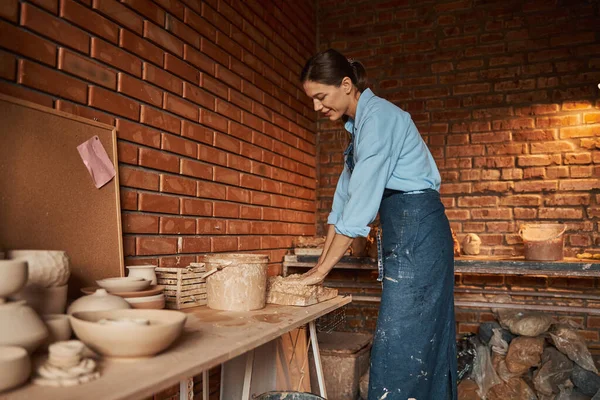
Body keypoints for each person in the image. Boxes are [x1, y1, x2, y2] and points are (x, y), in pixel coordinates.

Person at [296, 49, 457, 400]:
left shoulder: (380, 117)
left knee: (405, 339)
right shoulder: (358, 129)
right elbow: (342, 206)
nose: (317, 108)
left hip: (420, 228)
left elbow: (360, 211)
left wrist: (322, 272)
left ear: (346, 84)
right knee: (412, 337)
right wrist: (317, 267)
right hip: (406, 228)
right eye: (312, 100)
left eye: (321, 97)